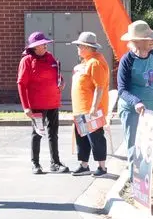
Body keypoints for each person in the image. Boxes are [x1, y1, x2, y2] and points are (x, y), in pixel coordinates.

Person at [117, 20, 153, 190]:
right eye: (148, 38)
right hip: (134, 111)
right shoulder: (127, 61)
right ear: (137, 41)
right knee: (136, 148)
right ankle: (139, 187)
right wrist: (136, 102)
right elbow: (121, 89)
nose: (152, 41)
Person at [18, 32, 67, 174]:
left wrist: (62, 82)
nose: (46, 45)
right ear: (34, 47)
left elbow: (57, 75)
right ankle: (35, 164)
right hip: (37, 105)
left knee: (53, 133)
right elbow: (21, 84)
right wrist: (26, 107)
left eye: (46, 43)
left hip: (53, 103)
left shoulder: (50, 57)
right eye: (43, 44)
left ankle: (55, 162)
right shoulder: (26, 61)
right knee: (37, 133)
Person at [69, 31, 111, 177]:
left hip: (91, 109)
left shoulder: (96, 62)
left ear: (87, 47)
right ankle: (84, 165)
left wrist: (94, 107)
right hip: (81, 108)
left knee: (96, 138)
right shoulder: (86, 62)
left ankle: (102, 167)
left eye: (80, 46)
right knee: (82, 138)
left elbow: (100, 86)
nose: (78, 48)